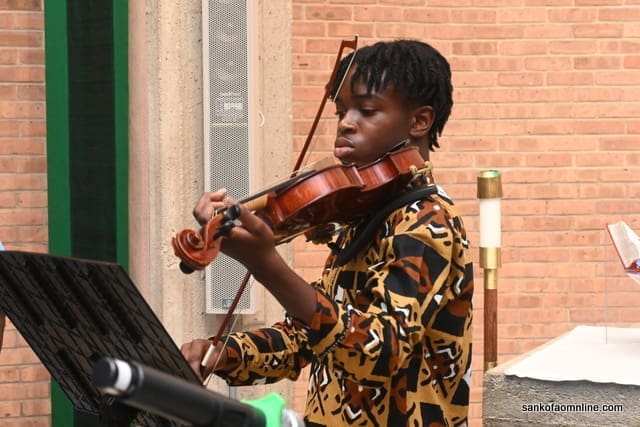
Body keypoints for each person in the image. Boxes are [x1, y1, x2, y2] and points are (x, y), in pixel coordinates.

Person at [181, 39, 474, 426]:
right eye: (341, 111)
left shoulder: (427, 222)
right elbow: (308, 338)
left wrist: (267, 266)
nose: (346, 123)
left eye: (366, 110)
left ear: (419, 121)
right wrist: (224, 354)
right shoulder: (364, 218)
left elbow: (381, 352)